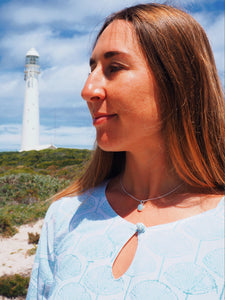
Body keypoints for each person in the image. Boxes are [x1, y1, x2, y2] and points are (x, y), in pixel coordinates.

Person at [27, 3, 225, 299]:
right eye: (92, 68)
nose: (87, 89)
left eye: (114, 67)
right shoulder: (66, 216)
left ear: (178, 79)